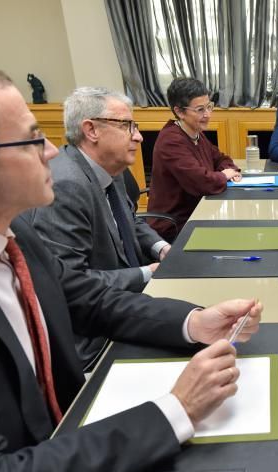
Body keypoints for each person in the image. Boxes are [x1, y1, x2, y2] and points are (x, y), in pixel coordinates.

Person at [0, 52, 262, 472]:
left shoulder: (11, 231)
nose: (54, 151)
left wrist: (190, 321)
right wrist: (173, 410)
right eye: (34, 138)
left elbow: (87, 298)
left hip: (72, 454)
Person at [28, 87, 172, 362]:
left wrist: (161, 248)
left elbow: (130, 220)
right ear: (91, 130)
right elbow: (71, 281)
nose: (139, 136)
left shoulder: (108, 166)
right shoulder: (66, 186)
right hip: (94, 332)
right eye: (126, 126)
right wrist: (146, 272)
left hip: (126, 300)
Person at [147, 78, 241, 240]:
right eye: (200, 110)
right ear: (180, 112)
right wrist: (224, 175)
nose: (207, 115)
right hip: (175, 226)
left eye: (209, 107)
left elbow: (220, 158)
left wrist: (230, 170)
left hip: (199, 211)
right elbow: (201, 182)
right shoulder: (171, 140)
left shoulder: (195, 132)